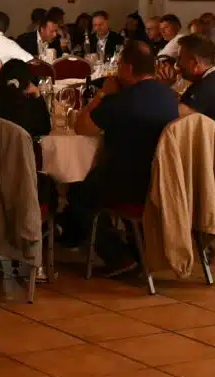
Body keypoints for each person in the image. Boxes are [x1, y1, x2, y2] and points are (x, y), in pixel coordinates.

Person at [68, 41, 180, 274]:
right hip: (164, 180)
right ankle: (137, 249)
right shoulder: (170, 96)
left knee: (76, 190)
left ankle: (117, 256)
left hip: (130, 185)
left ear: (128, 68)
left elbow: (81, 127)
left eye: (119, 65)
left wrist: (102, 94)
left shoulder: (122, 101)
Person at [173, 35, 215, 152]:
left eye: (180, 59)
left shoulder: (205, 87)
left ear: (194, 63)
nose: (177, 65)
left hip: (211, 156)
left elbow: (172, 116)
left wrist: (161, 87)